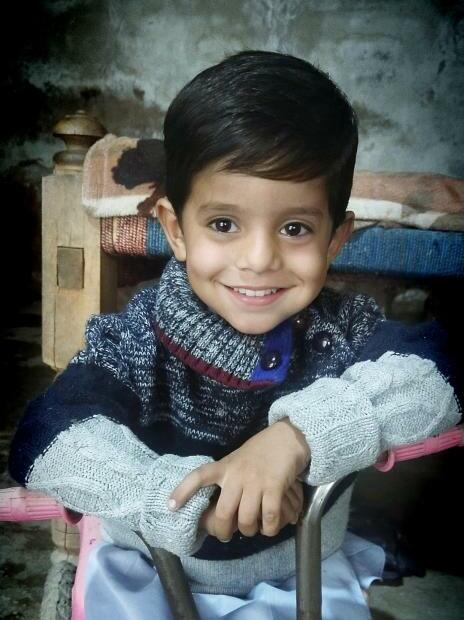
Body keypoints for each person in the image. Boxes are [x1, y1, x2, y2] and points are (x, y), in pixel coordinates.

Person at [8, 50, 460, 619]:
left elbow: (445, 368)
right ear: (176, 230)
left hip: (305, 569)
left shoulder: (342, 329)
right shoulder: (137, 338)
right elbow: (45, 436)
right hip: (150, 568)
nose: (259, 258)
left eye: (295, 228)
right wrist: (179, 495)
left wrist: (297, 437)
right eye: (224, 224)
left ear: (335, 239)